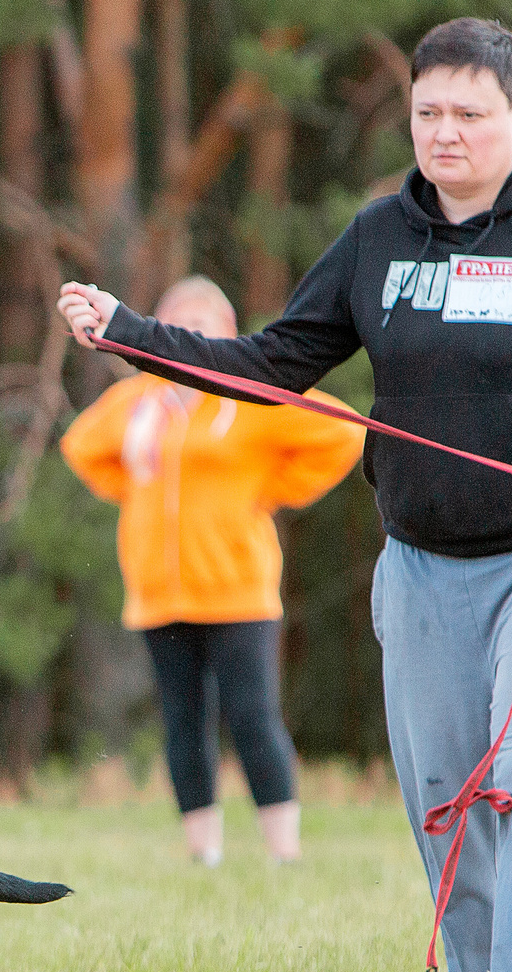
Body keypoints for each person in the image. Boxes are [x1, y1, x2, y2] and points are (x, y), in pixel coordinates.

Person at [57, 18, 512, 972]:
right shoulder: (378, 242)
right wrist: (128, 329)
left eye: (470, 116)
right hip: (426, 563)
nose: (445, 135)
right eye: (427, 113)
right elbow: (269, 365)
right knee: (443, 795)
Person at [60, 276, 363, 865]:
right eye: (180, 325)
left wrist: (273, 490)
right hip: (158, 594)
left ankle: (284, 851)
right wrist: (133, 492)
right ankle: (204, 853)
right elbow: (81, 447)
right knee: (183, 724)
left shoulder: (249, 399)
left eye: (204, 328)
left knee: (253, 719)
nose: (190, 336)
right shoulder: (140, 403)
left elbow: (343, 432)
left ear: (227, 335)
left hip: (238, 591)